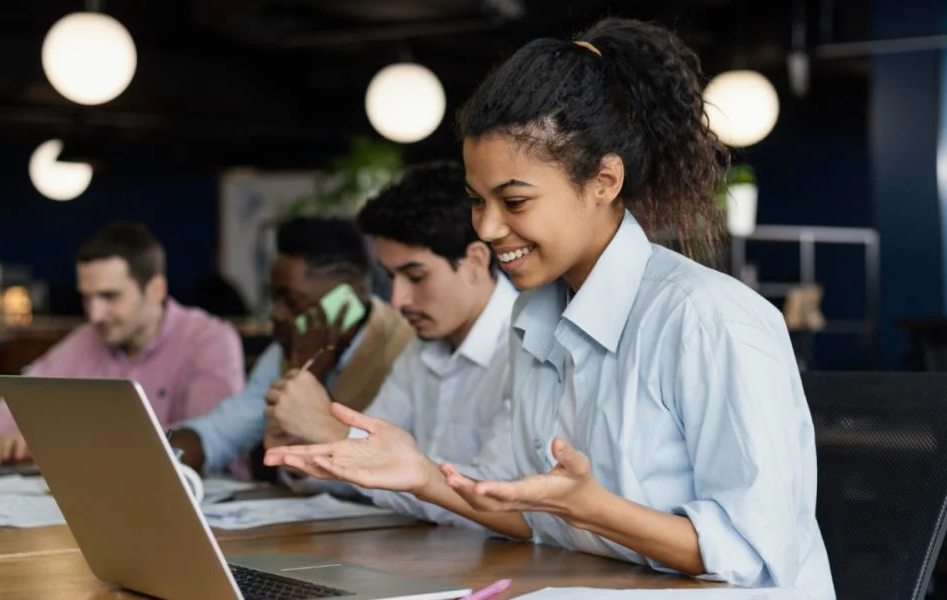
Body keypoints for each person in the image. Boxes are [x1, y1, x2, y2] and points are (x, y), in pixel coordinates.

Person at [263, 17, 836, 599]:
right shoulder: (535, 318)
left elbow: (750, 556)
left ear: (604, 180)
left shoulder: (708, 320)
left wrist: (593, 509)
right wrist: (422, 476)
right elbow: (537, 515)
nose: (486, 227)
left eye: (514, 200)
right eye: (477, 201)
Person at [264, 161, 518, 525]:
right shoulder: (421, 347)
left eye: (415, 276)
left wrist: (328, 431)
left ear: (476, 260)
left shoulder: (528, 347)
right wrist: (305, 454)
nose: (398, 300)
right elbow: (378, 477)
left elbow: (502, 506)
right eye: (390, 277)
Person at [0, 221, 245, 466]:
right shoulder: (86, 339)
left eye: (110, 296)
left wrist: (69, 441)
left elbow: (206, 440)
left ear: (156, 289)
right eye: (87, 298)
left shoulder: (210, 340)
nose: (95, 314)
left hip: (208, 504)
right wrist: (2, 439)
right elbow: (2, 417)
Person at [169, 216, 414, 476]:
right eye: (274, 298)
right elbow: (221, 431)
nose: (276, 315)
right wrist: (161, 455)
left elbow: (385, 471)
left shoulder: (404, 348)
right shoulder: (284, 351)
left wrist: (310, 381)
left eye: (291, 300)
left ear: (350, 291)